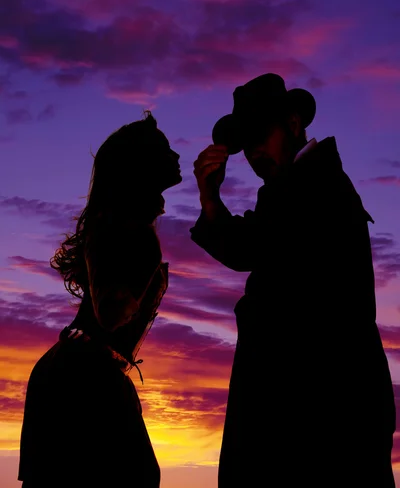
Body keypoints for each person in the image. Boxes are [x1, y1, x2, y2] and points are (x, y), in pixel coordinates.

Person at [190, 73, 396, 487]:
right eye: (245, 143)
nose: (253, 152)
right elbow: (253, 247)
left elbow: (250, 247)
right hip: (315, 424)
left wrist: (211, 200)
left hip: (316, 429)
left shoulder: (311, 186)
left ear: (294, 123)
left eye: (260, 135)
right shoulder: (300, 186)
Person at [18, 111, 182, 488]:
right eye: (164, 150)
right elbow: (110, 312)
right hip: (83, 378)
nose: (175, 157)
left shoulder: (124, 225)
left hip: (81, 371)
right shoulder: (122, 228)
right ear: (141, 164)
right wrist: (132, 286)